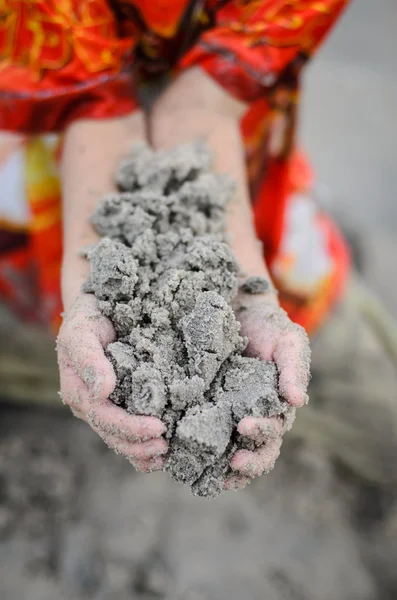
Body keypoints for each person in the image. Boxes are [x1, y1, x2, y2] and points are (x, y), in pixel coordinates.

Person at [0, 0, 352, 488]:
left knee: (310, 295)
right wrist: (93, 281)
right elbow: (94, 109)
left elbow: (199, 110)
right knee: (32, 296)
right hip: (65, 129)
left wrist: (250, 289)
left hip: (226, 136)